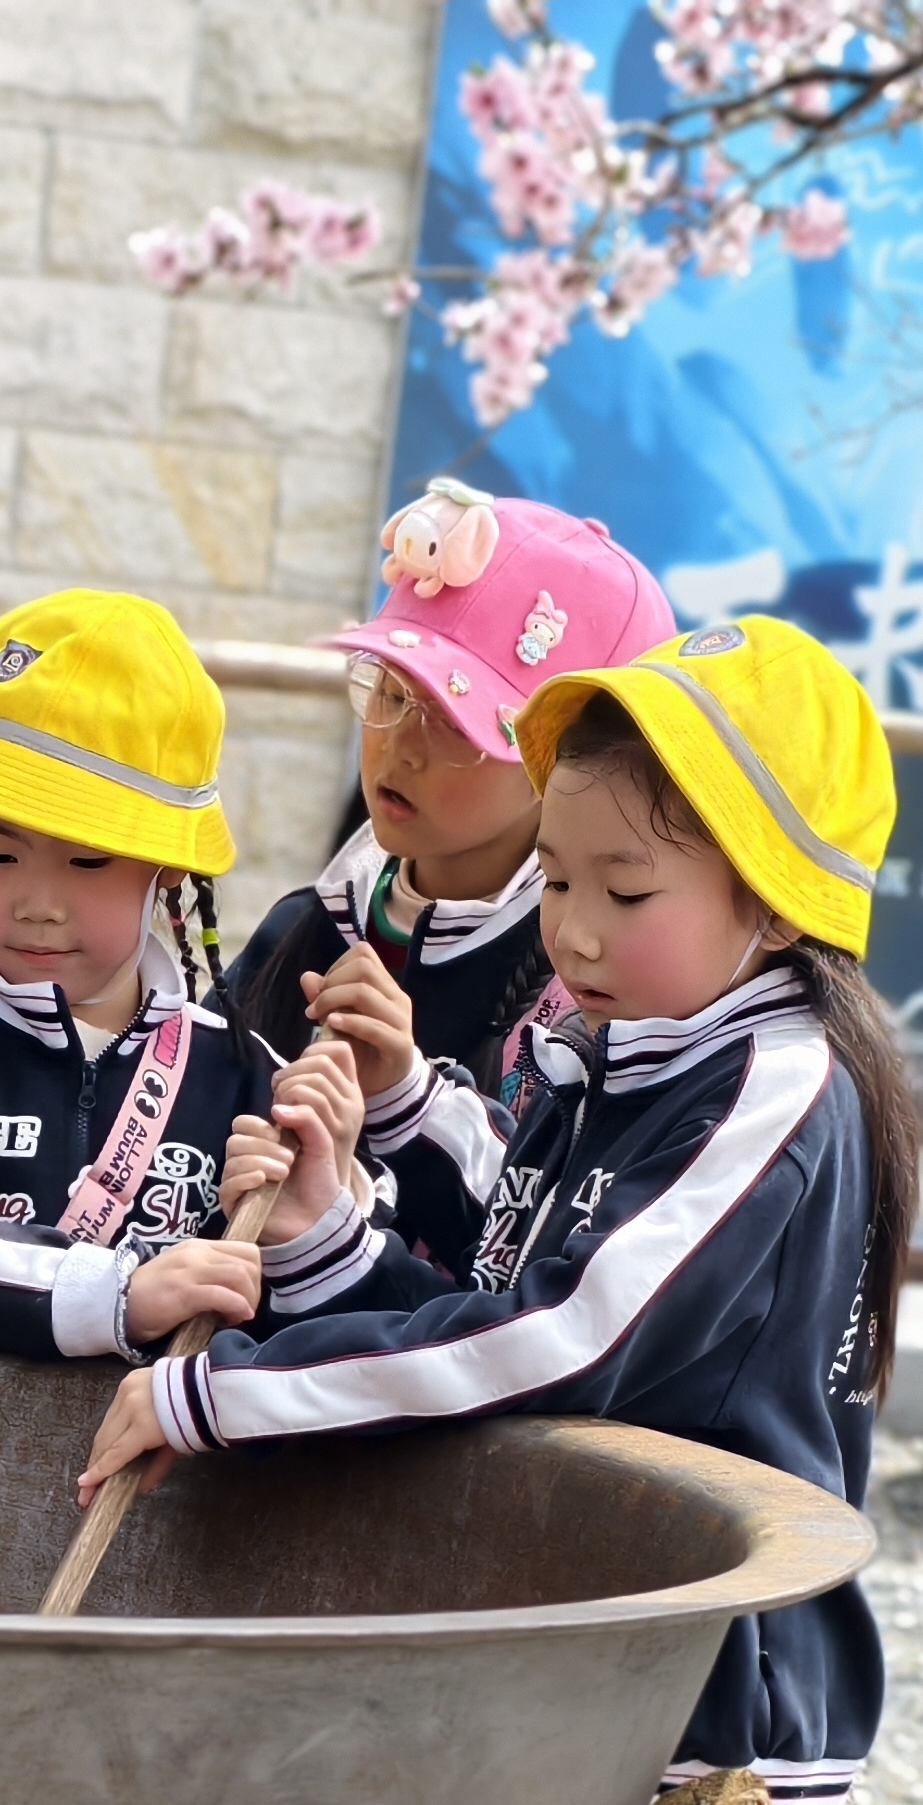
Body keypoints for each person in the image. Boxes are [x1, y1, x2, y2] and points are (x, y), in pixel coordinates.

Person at [80, 613, 922, 1805]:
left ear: (772, 901)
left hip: (699, 1695)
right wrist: (323, 1238)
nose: (574, 933)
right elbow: (486, 1294)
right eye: (559, 880)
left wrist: (227, 1394)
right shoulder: (608, 1059)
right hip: (580, 1642)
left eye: (625, 893)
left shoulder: (774, 1086)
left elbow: (566, 1343)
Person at [0, 590, 371, 1358]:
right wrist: (114, 1295)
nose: (37, 905)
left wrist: (323, 1215)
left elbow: (328, 1337)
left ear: (168, 868)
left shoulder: (246, 1079)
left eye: (88, 862)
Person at [224, 491, 674, 1266]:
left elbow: (549, 1246)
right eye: (392, 693)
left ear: (568, 765)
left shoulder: (591, 993)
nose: (401, 746)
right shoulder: (305, 926)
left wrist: (407, 1096)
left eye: (454, 722)